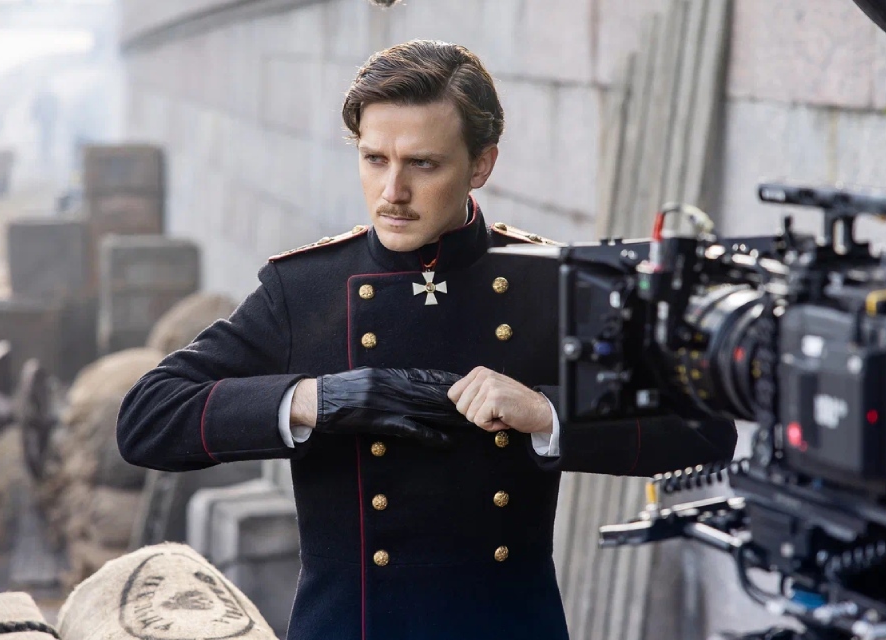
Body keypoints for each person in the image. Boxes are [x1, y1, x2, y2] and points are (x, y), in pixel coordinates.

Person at [117, 40, 737, 640]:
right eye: (374, 159)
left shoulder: (549, 282)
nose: (393, 192)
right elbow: (146, 418)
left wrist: (547, 412)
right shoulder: (306, 290)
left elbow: (705, 432)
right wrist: (312, 399)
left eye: (423, 164)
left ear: (481, 165)